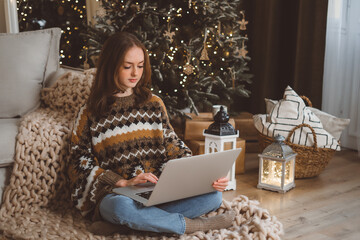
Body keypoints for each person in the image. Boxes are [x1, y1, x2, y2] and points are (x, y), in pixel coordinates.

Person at [68, 32, 235, 236]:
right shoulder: (90, 112)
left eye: (140, 65)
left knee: (213, 197)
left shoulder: (154, 104)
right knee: (120, 208)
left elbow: (174, 146)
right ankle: (193, 225)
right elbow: (77, 163)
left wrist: (202, 176)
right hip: (118, 195)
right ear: (110, 66)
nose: (135, 73)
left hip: (159, 191)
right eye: (127, 66)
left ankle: (126, 226)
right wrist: (121, 182)